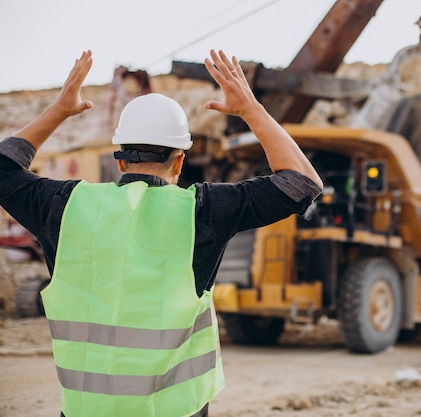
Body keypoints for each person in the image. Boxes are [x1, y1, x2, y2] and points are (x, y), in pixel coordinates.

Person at [0, 49, 322, 417]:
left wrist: (59, 109)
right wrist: (251, 110)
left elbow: (3, 167)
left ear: (119, 159)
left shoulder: (65, 206)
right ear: (181, 159)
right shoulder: (202, 211)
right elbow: (302, 183)